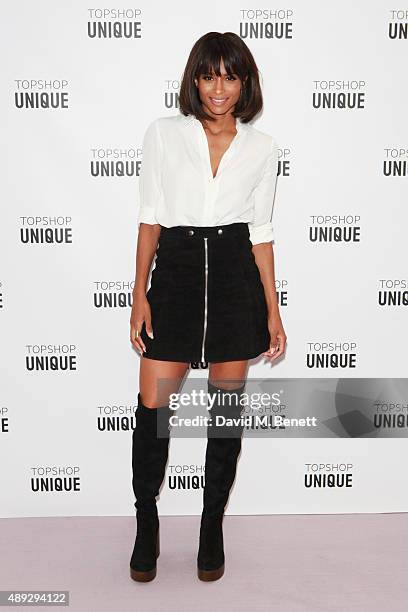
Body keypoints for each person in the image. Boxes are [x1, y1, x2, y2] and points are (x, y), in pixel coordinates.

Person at [129, 31, 287, 583]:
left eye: (230, 76)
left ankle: (210, 526)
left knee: (225, 412)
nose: (219, 88)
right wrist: (137, 295)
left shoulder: (263, 148)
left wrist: (272, 310)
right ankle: (146, 523)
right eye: (209, 75)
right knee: (154, 409)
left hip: (232, 277)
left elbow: (261, 233)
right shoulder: (163, 135)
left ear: (245, 83)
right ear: (194, 80)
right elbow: (151, 216)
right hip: (172, 272)